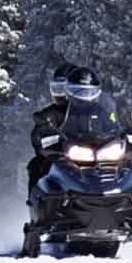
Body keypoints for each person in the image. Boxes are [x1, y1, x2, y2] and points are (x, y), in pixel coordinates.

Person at [28, 64, 102, 195]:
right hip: (64, 156)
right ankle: (41, 204)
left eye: (62, 88)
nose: (60, 94)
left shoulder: (96, 110)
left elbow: (113, 124)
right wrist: (45, 136)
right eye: (57, 88)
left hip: (96, 154)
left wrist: (122, 134)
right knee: (37, 165)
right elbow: (37, 135)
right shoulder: (50, 113)